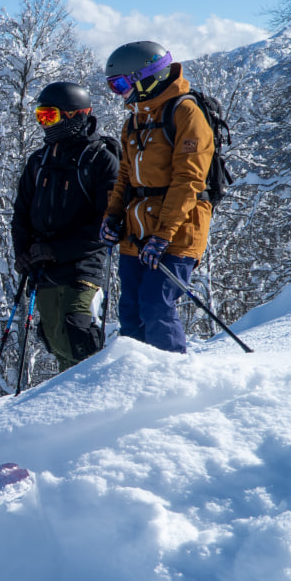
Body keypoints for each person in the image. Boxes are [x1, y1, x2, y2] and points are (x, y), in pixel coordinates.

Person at [100, 41, 214, 354]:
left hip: (178, 230)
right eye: (113, 86)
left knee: (155, 306)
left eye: (121, 84)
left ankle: (170, 385)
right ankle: (135, 385)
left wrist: (163, 236)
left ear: (145, 77)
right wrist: (111, 216)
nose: (119, 93)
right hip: (136, 230)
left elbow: (189, 179)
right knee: (131, 313)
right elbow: (125, 174)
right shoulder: (134, 120)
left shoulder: (185, 113)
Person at [11, 82, 120, 371]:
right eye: (40, 117)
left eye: (50, 116)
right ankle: (68, 408)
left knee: (77, 328)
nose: (44, 124)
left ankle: (94, 396)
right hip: (43, 266)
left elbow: (105, 222)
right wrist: (22, 252)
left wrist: (55, 250)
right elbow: (21, 211)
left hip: (82, 264)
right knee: (55, 337)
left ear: (73, 116)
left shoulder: (101, 160)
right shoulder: (39, 160)